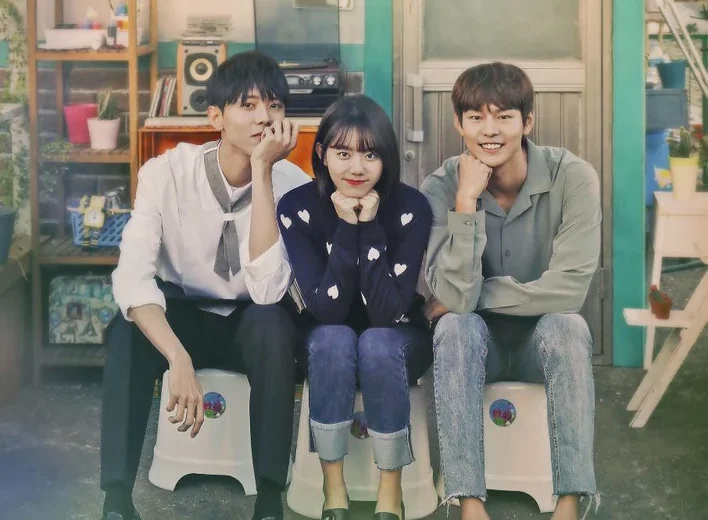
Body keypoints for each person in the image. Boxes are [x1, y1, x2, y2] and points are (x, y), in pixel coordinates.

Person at [100, 51, 312, 520]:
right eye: (249, 105)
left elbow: (268, 292)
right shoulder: (166, 174)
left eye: (274, 105)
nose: (264, 117)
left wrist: (263, 174)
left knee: (273, 326)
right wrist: (177, 357)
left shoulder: (294, 184)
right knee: (126, 332)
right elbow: (132, 276)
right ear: (216, 117)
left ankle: (270, 499)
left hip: (252, 321)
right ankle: (115, 500)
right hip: (185, 317)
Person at [421, 62, 601, 520]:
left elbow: (569, 290)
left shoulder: (573, 177)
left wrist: (477, 294)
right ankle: (468, 501)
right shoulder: (441, 188)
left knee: (567, 326)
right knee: (456, 329)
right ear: (458, 123)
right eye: (476, 117)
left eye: (503, 116)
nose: (490, 130)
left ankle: (569, 501)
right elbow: (455, 303)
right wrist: (466, 203)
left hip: (539, 345)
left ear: (527, 121)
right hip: (473, 347)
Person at [277, 95, 433, 520]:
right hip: (325, 337)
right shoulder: (296, 208)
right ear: (322, 153)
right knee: (334, 338)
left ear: (386, 159)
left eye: (370, 155)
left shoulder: (412, 208)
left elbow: (386, 313)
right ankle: (334, 491)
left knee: (377, 342)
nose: (357, 168)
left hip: (399, 337)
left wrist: (371, 227)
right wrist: (347, 226)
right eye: (343, 154)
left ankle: (390, 493)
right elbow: (326, 309)